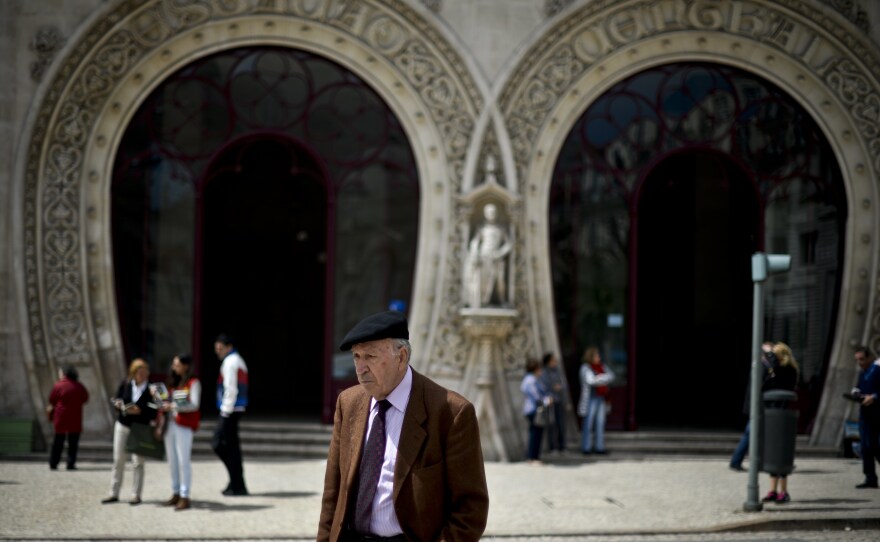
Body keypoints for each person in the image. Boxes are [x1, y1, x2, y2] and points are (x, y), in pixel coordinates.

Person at [318, 310, 489, 542]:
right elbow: (333, 492)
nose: (361, 367)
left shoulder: (450, 412)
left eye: (370, 356)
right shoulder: (348, 402)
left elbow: (470, 508)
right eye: (356, 357)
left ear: (401, 356)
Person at [103, 358, 157, 505]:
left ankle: (136, 494)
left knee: (138, 462)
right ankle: (113, 493)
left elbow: (155, 410)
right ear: (133, 373)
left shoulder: (151, 389)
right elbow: (117, 399)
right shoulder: (126, 384)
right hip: (123, 424)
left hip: (140, 427)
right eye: (139, 373)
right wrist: (119, 405)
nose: (142, 375)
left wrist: (140, 411)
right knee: (118, 460)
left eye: (144, 373)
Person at [159, 353, 201, 511]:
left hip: (183, 425)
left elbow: (195, 405)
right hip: (170, 424)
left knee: (184, 461)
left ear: (186, 366)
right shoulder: (173, 383)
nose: (173, 367)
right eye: (173, 364)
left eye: (176, 364)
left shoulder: (193, 383)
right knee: (172, 460)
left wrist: (174, 406)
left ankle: (185, 495)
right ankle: (175, 491)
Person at [760, 342, 799, 504]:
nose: (772, 359)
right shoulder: (776, 371)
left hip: (782, 415)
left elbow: (778, 370)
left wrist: (769, 353)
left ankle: (783, 491)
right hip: (772, 413)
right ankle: (772, 490)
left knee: (781, 454)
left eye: (775, 356)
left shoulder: (788, 370)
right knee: (772, 453)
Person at [730, 341, 775, 472]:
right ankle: (736, 461)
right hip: (758, 406)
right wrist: (770, 353)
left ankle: (741, 461)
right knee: (750, 434)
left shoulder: (760, 365)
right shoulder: (761, 365)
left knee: (752, 434)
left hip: (757, 405)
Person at [213, 333, 249, 496]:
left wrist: (225, 412)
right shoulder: (235, 360)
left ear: (229, 347)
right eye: (216, 348)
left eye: (220, 348)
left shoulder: (230, 362)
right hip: (234, 410)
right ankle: (236, 483)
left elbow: (231, 389)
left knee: (219, 444)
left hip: (230, 410)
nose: (218, 351)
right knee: (231, 447)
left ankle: (236, 482)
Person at [464, 202, 512, 308]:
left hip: (496, 258)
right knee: (484, 281)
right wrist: (475, 254)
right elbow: (475, 242)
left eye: (493, 212)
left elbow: (508, 244)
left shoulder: (501, 229)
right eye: (489, 212)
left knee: (500, 281)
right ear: (485, 214)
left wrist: (500, 253)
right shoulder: (481, 228)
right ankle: (482, 302)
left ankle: (502, 301)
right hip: (484, 257)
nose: (491, 214)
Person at [47, 365, 89, 471]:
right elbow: (85, 398)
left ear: (64, 374)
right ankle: (70, 463)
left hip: (61, 418)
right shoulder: (79, 386)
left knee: (58, 442)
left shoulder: (58, 386)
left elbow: (52, 399)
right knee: (73, 443)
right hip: (75, 417)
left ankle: (54, 462)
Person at [577, 346, 614, 455]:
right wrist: (603, 378)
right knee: (588, 424)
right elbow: (591, 381)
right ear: (591, 357)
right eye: (596, 355)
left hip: (601, 398)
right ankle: (586, 448)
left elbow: (611, 376)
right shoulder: (585, 368)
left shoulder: (601, 366)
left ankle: (599, 447)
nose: (599, 357)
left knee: (600, 423)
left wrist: (600, 378)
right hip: (590, 399)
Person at [853, 346, 880, 489]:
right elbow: (859, 387)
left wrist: (874, 397)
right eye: (857, 360)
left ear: (870, 357)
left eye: (862, 359)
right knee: (865, 447)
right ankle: (870, 478)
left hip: (877, 413)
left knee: (874, 445)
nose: (860, 362)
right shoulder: (862, 372)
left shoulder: (877, 369)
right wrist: (856, 393)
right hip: (865, 413)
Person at [521, 358, 551, 463]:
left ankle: (534, 456)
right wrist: (547, 401)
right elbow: (536, 396)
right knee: (535, 434)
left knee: (536, 434)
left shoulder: (531, 379)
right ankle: (532, 457)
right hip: (533, 410)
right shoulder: (531, 380)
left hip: (533, 410)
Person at [540, 352, 567, 454]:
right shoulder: (544, 373)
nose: (555, 362)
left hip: (560, 400)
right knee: (552, 425)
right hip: (550, 402)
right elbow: (545, 387)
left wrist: (560, 388)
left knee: (561, 424)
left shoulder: (558, 371)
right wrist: (554, 388)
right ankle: (553, 447)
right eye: (552, 360)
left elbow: (563, 384)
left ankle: (562, 446)